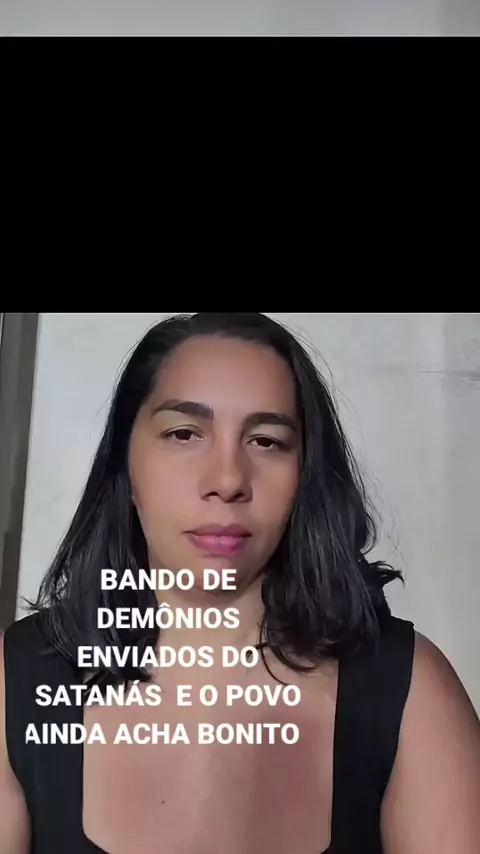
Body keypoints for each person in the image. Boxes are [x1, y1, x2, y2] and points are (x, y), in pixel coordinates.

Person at [1, 311, 479, 854]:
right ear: (126, 467)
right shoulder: (17, 682)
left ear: (304, 477)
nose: (228, 480)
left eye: (267, 441)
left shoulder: (409, 689)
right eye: (184, 434)